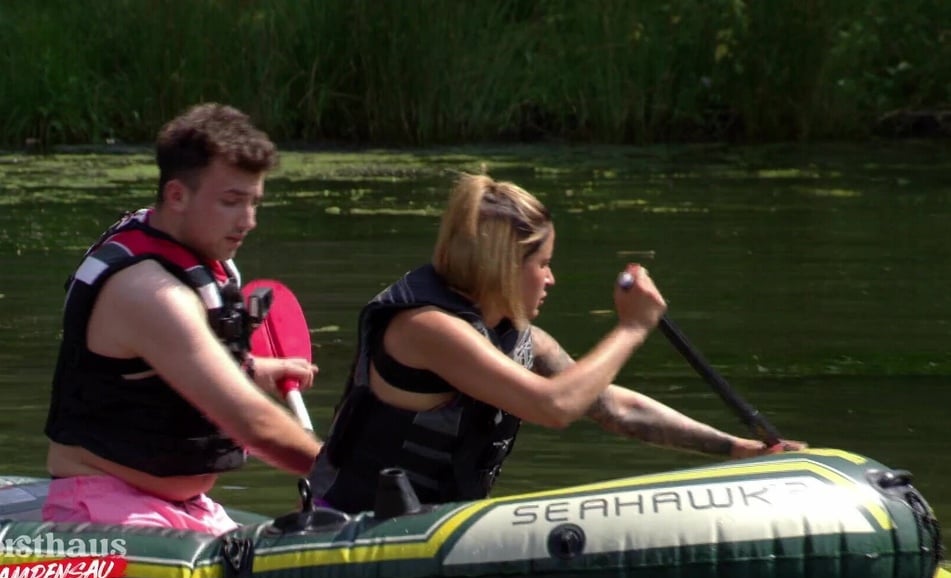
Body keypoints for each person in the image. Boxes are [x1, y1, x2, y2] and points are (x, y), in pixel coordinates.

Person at [308, 172, 805, 514]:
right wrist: (631, 328)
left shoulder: (520, 339)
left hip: (432, 531)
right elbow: (556, 406)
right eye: (541, 263)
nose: (550, 279)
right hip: (353, 531)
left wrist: (737, 448)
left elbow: (612, 407)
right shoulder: (426, 330)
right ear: (504, 264)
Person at [43, 103, 322, 536]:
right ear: (177, 195)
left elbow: (163, 368)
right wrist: (341, 472)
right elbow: (251, 423)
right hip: (105, 512)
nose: (248, 221)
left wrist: (256, 370)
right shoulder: (152, 292)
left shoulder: (190, 250)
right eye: (231, 202)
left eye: (253, 202)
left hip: (183, 506)